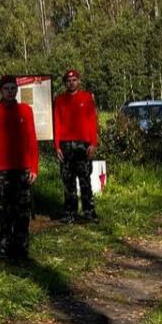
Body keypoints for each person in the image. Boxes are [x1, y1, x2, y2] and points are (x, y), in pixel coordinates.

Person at [0, 75, 38, 259]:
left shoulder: (25, 111)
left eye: (13, 88)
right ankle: (6, 250)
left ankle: (22, 250)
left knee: (23, 212)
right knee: (6, 212)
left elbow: (32, 140)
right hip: (3, 171)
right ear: (0, 91)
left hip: (23, 168)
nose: (10, 92)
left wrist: (34, 167)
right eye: (6, 88)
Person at [53, 69, 100, 222]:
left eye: (74, 80)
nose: (71, 83)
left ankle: (89, 213)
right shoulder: (60, 100)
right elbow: (57, 123)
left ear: (79, 81)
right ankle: (70, 213)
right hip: (66, 145)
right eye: (68, 81)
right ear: (65, 83)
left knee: (85, 180)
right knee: (68, 181)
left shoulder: (86, 98)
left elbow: (93, 121)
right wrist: (57, 146)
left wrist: (93, 143)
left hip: (83, 144)